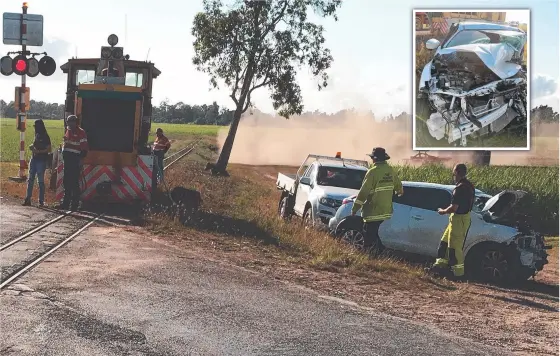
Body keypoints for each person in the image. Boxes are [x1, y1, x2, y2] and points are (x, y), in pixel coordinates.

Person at [351, 147, 403, 254]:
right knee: (373, 232)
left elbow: (364, 192)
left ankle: (373, 255)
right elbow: (399, 188)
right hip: (385, 210)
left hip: (373, 210)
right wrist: (398, 192)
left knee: (369, 234)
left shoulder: (372, 172)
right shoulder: (390, 170)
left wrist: (355, 208)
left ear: (374, 159)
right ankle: (379, 253)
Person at [428, 163, 475, 280]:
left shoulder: (459, 189)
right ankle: (439, 267)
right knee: (444, 243)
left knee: (454, 248)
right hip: (458, 220)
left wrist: (443, 211)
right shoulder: (469, 186)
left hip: (459, 220)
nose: (453, 175)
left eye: (454, 173)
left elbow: (454, 208)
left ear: (457, 173)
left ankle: (458, 275)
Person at [55, 115, 88, 210]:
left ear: (75, 122)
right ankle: (65, 204)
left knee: (74, 183)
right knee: (66, 182)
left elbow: (84, 148)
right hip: (67, 161)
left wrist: (81, 160)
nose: (69, 124)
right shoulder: (68, 131)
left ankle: (74, 204)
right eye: (68, 122)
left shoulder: (81, 132)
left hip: (75, 160)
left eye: (71, 122)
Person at [23, 119, 52, 207]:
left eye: (36, 126)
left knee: (40, 181)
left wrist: (39, 151)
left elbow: (49, 149)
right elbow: (34, 144)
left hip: (41, 160)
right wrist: (32, 146)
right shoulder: (37, 135)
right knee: (30, 179)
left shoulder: (45, 136)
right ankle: (28, 199)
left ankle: (41, 201)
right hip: (34, 159)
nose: (35, 128)